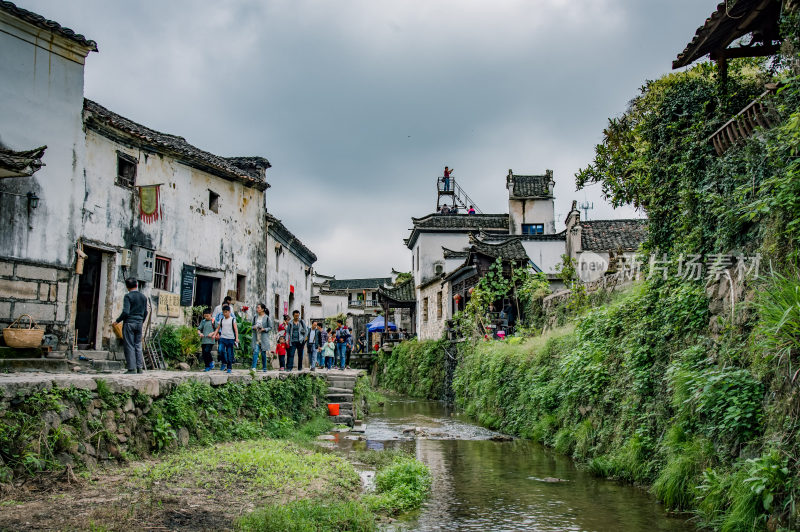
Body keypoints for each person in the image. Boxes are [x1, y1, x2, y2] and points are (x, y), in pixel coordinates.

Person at [114, 277, 148, 374]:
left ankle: (131, 368)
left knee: (129, 345)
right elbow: (145, 312)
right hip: (139, 323)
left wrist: (117, 321)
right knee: (138, 345)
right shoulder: (143, 297)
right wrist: (141, 321)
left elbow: (126, 312)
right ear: (137, 285)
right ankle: (139, 367)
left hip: (129, 323)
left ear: (127, 287)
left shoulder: (128, 296)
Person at [213, 305, 238, 374]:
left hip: (230, 338)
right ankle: (224, 362)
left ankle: (229, 367)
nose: (225, 314)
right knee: (220, 350)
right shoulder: (221, 320)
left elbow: (236, 329)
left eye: (226, 312)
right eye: (223, 312)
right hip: (223, 338)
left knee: (229, 353)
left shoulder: (233, 319)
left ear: (229, 312)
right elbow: (218, 328)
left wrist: (237, 338)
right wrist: (215, 335)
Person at [251, 304, 272, 372]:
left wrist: (264, 329)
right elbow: (252, 326)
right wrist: (254, 327)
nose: (257, 309)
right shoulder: (255, 317)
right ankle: (253, 367)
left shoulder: (267, 318)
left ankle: (264, 368)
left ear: (262, 309)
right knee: (255, 351)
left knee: (263, 353)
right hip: (256, 337)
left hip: (263, 338)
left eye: (258, 308)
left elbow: (270, 327)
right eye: (257, 308)